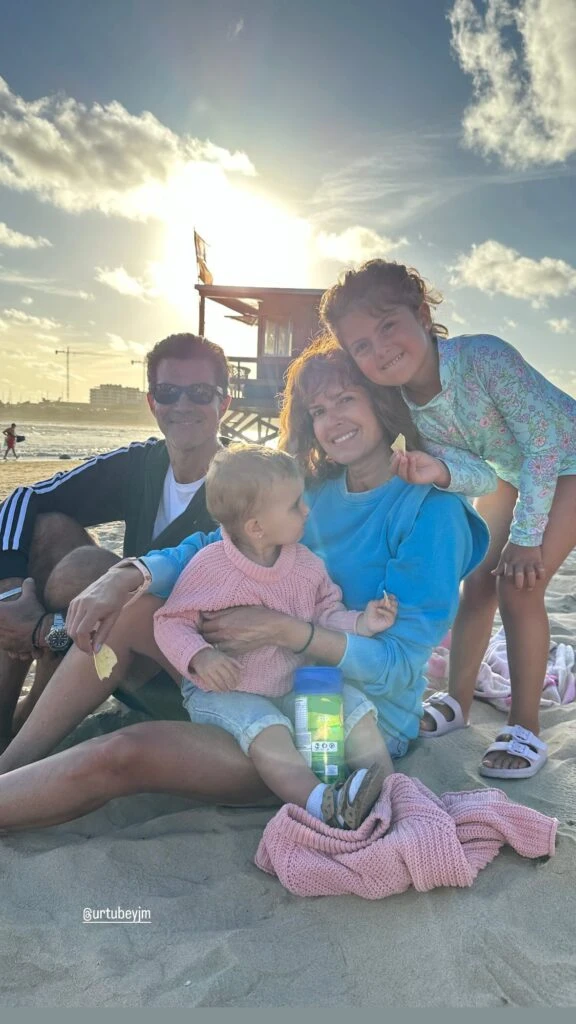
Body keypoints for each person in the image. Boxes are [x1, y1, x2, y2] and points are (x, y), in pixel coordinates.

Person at [0, 338, 488, 832]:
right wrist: (127, 573)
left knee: (124, 753)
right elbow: (215, 543)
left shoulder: (431, 511)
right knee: (131, 607)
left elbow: (401, 665)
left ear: (381, 400)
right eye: (319, 409)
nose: (333, 420)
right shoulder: (313, 488)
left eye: (347, 399)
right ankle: (11, 763)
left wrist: (286, 631)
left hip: (337, 724)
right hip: (251, 678)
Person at [320, 258, 576, 779]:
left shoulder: (482, 357)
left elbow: (545, 443)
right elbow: (478, 474)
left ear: (420, 313)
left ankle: (525, 724)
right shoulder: (403, 404)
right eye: (361, 345)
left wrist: (526, 541)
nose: (380, 349)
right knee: (478, 579)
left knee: (519, 583)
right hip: (510, 470)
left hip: (565, 459)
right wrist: (439, 470)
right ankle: (457, 700)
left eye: (387, 325)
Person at [0, 333, 231, 746]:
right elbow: (25, 497)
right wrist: (13, 592)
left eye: (199, 393)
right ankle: (6, 726)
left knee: (86, 571)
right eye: (168, 392)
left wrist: (45, 630)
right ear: (152, 402)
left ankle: (27, 728)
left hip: (177, 667)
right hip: (98, 641)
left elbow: (210, 608)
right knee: (45, 531)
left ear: (224, 404)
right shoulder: (142, 463)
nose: (182, 405)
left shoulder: (244, 480)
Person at [154, 443, 398, 829]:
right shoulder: (212, 566)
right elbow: (169, 621)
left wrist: (363, 624)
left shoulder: (305, 565)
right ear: (256, 526)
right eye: (294, 505)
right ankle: (321, 804)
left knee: (352, 707)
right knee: (266, 728)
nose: (306, 510)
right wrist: (200, 656)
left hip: (292, 685)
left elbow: (325, 614)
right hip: (228, 691)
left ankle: (389, 790)